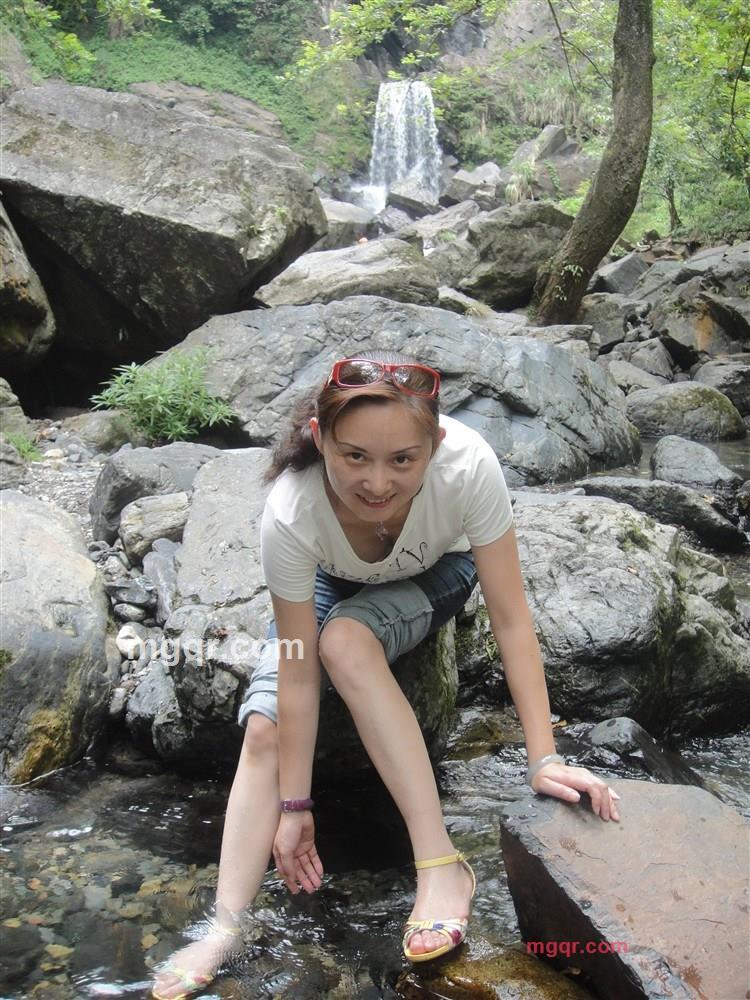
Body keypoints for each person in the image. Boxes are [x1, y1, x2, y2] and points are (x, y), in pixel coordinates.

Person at [152, 350, 621, 999]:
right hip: (331, 579)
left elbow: (512, 620)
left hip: (438, 572)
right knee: (264, 724)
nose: (377, 482)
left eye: (403, 460)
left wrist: (542, 758)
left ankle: (441, 865)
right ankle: (224, 927)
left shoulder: (468, 466)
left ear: (435, 444)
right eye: (355, 457)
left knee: (346, 642)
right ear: (320, 440)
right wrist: (295, 805)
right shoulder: (291, 510)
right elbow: (297, 668)